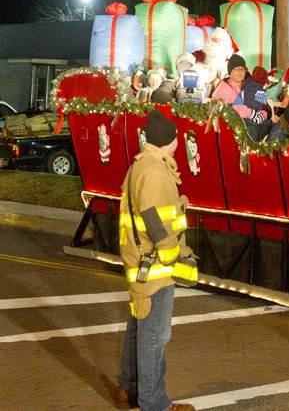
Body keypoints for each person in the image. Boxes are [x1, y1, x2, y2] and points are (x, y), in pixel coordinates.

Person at [115, 109, 197, 411]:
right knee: (155, 336)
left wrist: (177, 204)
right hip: (155, 263)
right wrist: (170, 251)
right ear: (170, 141)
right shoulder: (154, 169)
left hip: (140, 259)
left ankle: (129, 387)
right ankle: (154, 403)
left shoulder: (145, 164)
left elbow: (152, 208)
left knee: (139, 322)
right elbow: (151, 215)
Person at [211, 54, 275, 140]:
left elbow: (263, 104)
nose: (240, 72)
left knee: (271, 126)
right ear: (230, 71)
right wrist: (252, 114)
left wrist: (262, 114)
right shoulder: (223, 88)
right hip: (233, 130)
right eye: (236, 69)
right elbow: (232, 109)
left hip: (254, 125)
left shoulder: (250, 85)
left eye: (242, 69)